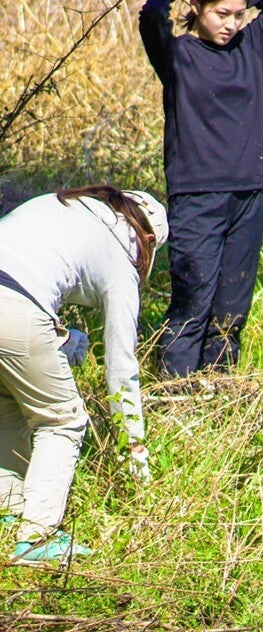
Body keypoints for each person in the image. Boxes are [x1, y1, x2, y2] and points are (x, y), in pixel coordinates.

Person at [139, 0, 263, 379]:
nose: (231, 24)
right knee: (192, 302)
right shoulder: (177, 55)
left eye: (239, 14)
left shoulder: (250, 46)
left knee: (231, 310)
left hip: (248, 195)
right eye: (221, 13)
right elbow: (151, 15)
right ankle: (175, 393)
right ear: (197, 6)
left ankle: (218, 389)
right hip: (197, 198)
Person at [0, 186, 168, 564]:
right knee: (62, 420)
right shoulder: (122, 255)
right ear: (148, 240)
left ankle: (8, 511)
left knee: (8, 401)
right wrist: (133, 445)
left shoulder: (65, 204)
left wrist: (57, 336)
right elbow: (122, 367)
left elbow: (23, 267)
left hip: (11, 295)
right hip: (14, 304)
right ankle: (37, 538)